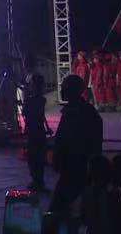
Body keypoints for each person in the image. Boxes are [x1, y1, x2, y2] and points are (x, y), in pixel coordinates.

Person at [50, 74, 103, 215]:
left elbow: (65, 139)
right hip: (74, 166)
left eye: (64, 87)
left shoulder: (79, 113)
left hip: (76, 165)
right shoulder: (81, 111)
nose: (62, 90)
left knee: (61, 209)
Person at [22, 73, 50, 189]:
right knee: (39, 156)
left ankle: (36, 180)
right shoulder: (42, 100)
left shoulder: (30, 101)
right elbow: (41, 116)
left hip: (33, 131)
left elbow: (25, 113)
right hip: (39, 130)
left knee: (33, 156)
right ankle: (39, 180)